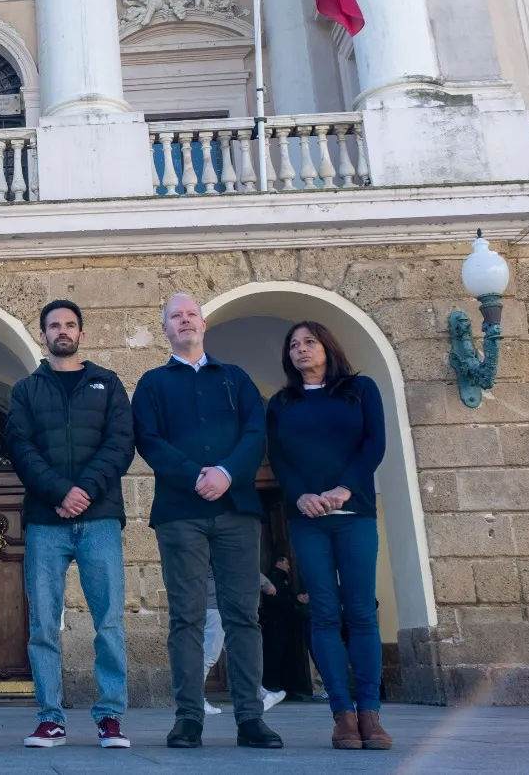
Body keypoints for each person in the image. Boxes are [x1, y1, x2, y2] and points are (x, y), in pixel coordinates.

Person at [132, 293, 282, 750]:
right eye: (175, 316)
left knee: (243, 617)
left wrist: (226, 473)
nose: (185, 321)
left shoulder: (236, 378)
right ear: (165, 329)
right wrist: (195, 475)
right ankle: (188, 717)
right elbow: (148, 440)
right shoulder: (153, 383)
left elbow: (256, 432)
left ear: (203, 323)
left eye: (191, 314)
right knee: (186, 618)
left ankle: (250, 718)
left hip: (237, 511)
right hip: (180, 515)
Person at [4, 300, 135, 749]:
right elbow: (20, 448)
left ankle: (110, 717)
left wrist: (84, 492)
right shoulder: (26, 390)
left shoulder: (108, 383)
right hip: (46, 521)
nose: (62, 330)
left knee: (109, 621)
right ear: (43, 334)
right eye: (54, 325)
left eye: (70, 324)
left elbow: (120, 444)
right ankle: (50, 719)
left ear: (81, 333)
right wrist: (61, 492)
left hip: (99, 519)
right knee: (43, 623)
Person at [266, 321, 391, 750]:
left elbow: (374, 444)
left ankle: (370, 714)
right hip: (308, 519)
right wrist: (299, 495)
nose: (301, 349)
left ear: (327, 347)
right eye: (294, 345)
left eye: (309, 342)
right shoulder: (282, 403)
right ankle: (343, 716)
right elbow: (279, 458)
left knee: (361, 611)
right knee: (323, 613)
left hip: (354, 514)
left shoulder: (360, 390)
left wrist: (345, 488)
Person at [201, 573, 286, 716]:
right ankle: (197, 700)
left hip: (213, 603)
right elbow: (239, 565)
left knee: (237, 653)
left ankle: (260, 694)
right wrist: (265, 583)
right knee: (210, 654)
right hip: (215, 604)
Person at [260, 554, 311, 699]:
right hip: (277, 623)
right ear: (280, 562)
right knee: (278, 655)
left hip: (280, 623)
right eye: (287, 564)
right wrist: (296, 599)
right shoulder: (276, 577)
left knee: (282, 655)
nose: (289, 567)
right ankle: (276, 687)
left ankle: (281, 687)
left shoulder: (279, 577)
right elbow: (279, 599)